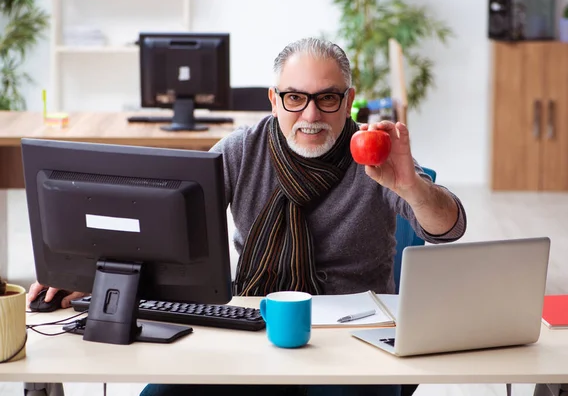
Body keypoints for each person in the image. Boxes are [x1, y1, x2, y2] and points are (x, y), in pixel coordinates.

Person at [28, 37, 467, 396]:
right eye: (295, 98)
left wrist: (411, 186)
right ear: (274, 100)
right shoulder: (241, 150)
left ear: (348, 100)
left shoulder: (376, 156)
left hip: (349, 334)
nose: (311, 115)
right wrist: (89, 273)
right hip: (253, 321)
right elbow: (165, 231)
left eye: (327, 98)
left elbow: (447, 227)